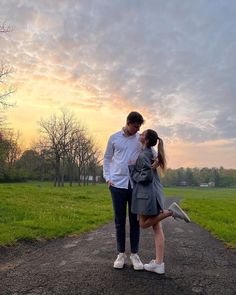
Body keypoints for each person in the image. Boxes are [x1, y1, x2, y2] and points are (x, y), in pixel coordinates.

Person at [129, 129, 190, 275]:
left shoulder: (144, 155)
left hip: (146, 195)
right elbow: (150, 170)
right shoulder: (151, 152)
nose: (140, 135)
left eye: (142, 134)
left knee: (143, 224)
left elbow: (146, 176)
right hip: (153, 192)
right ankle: (159, 263)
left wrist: (132, 170)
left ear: (147, 140)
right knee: (157, 227)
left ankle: (171, 212)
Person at [103, 111, 145, 270]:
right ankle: (120, 254)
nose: (137, 129)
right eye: (135, 126)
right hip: (117, 185)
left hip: (135, 185)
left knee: (135, 221)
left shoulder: (140, 139)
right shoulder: (114, 138)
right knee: (119, 221)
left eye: (139, 127)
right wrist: (107, 178)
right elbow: (107, 158)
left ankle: (135, 254)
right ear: (128, 123)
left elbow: (151, 154)